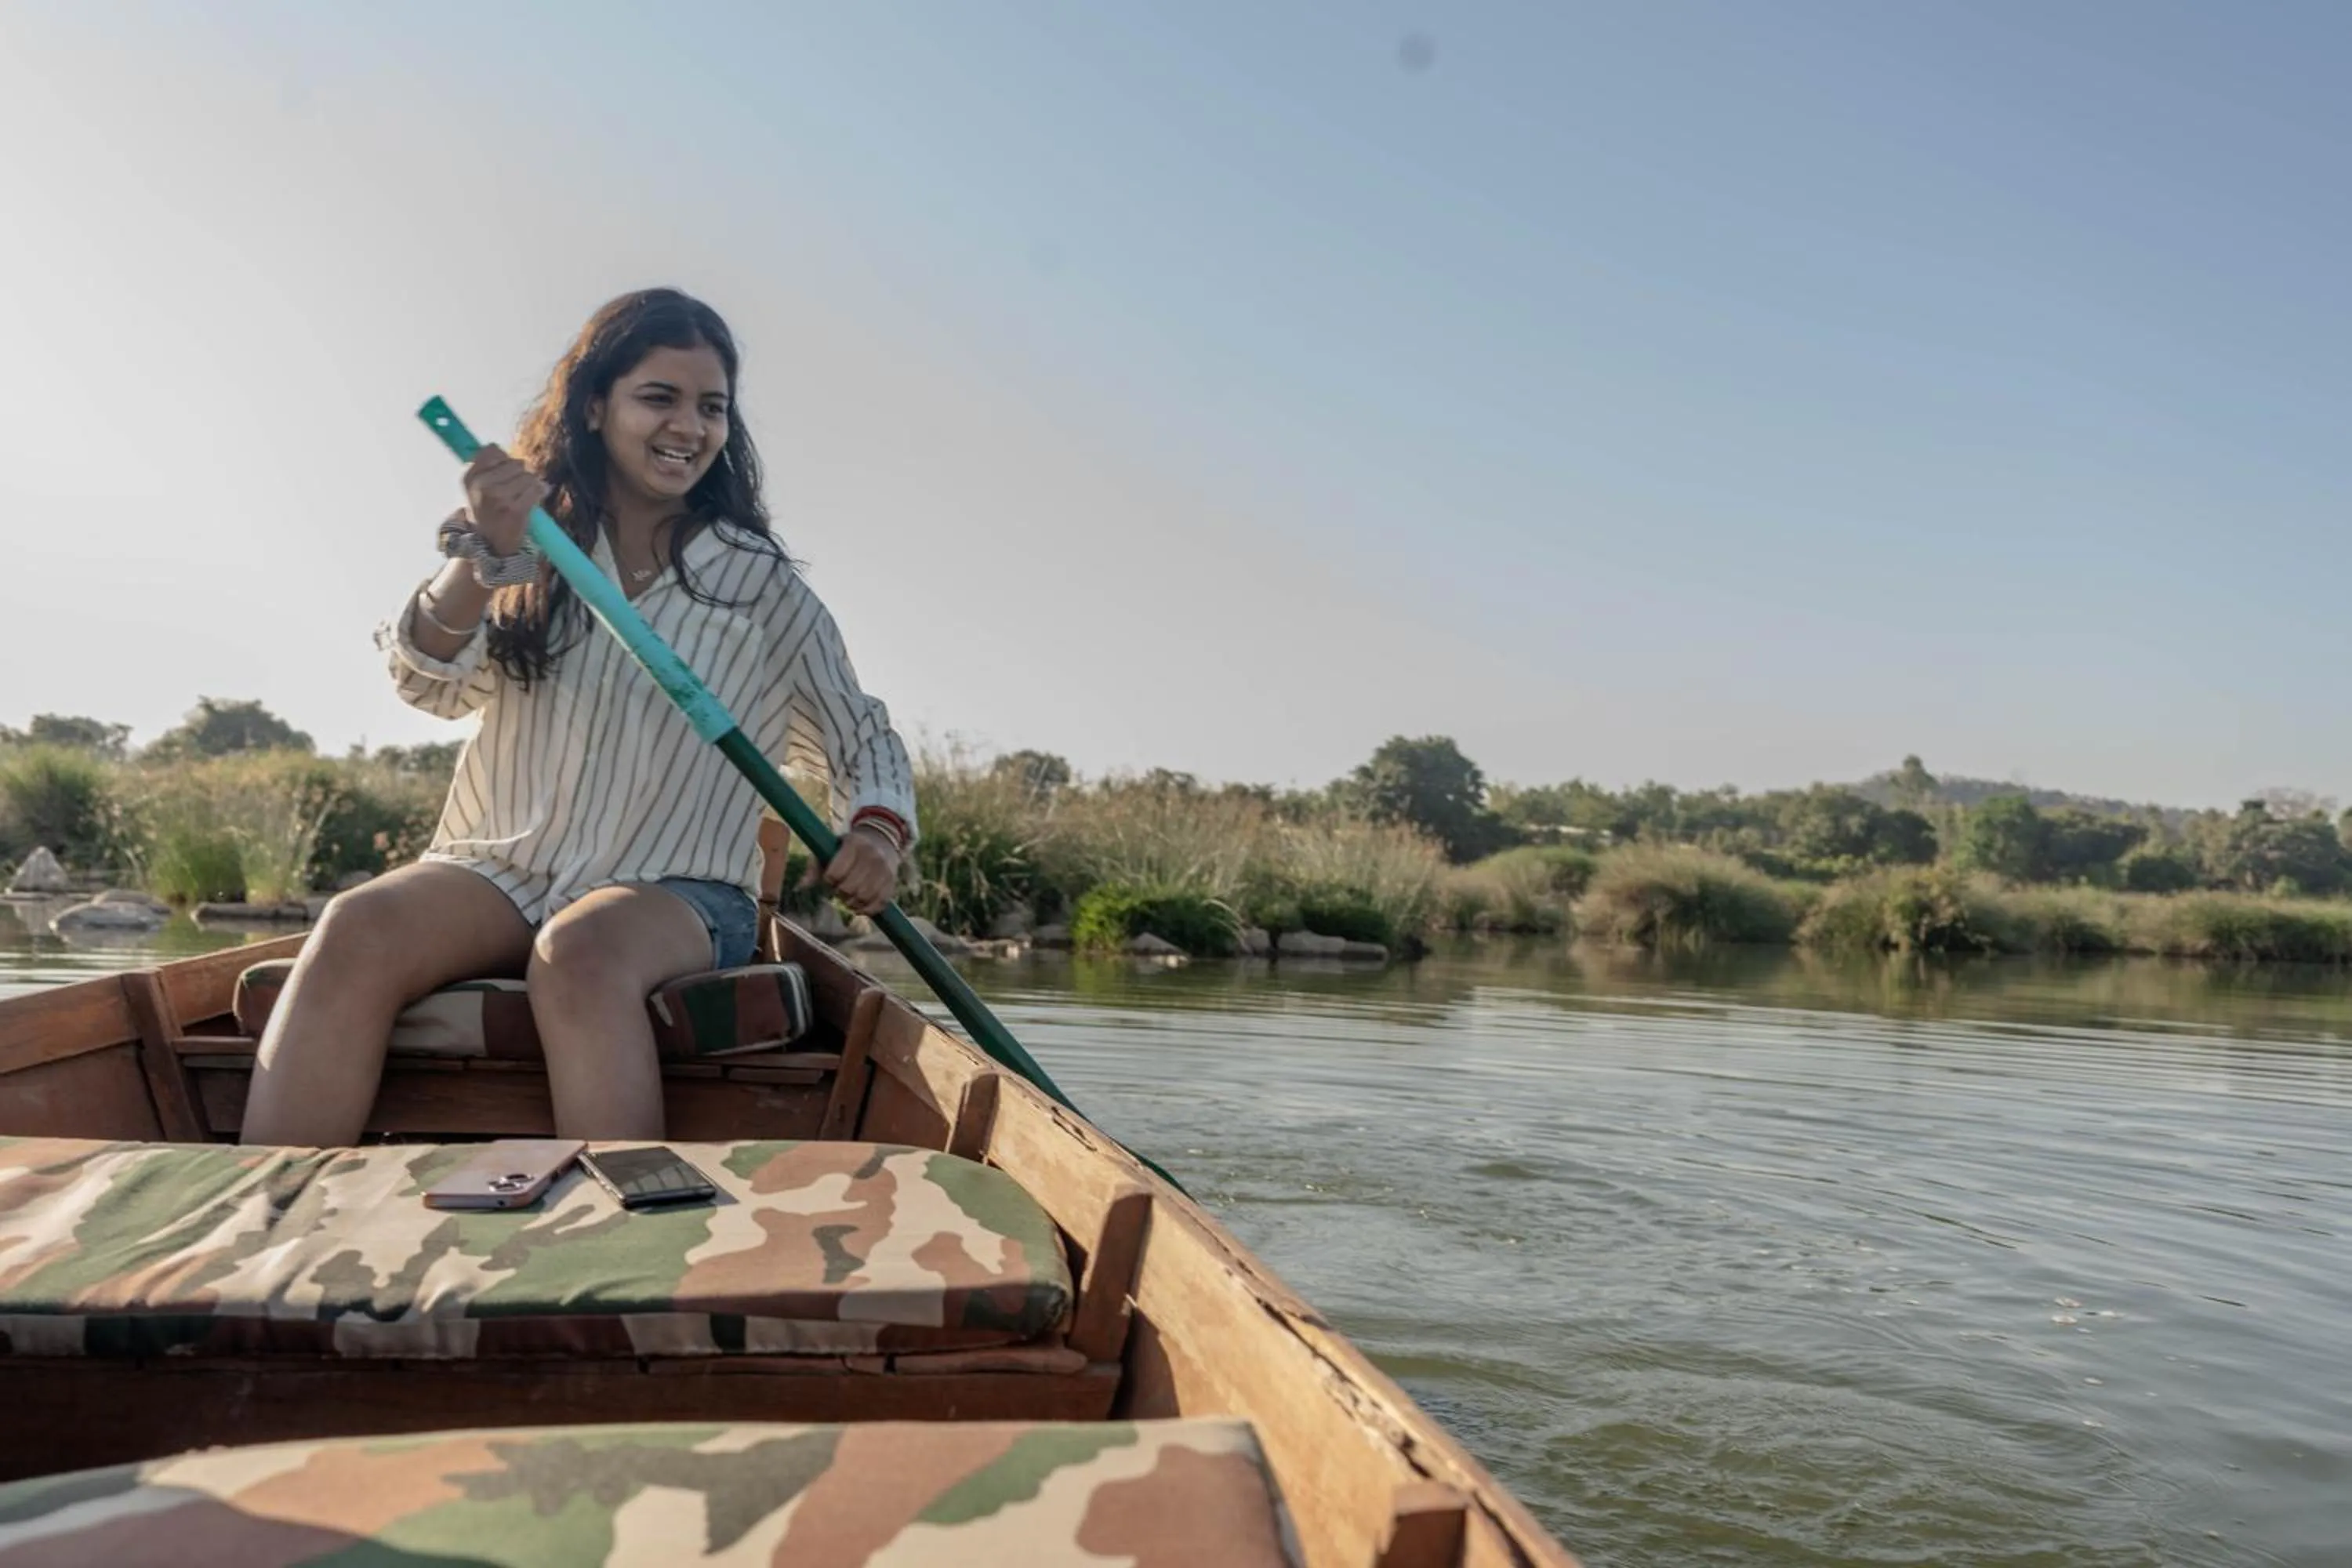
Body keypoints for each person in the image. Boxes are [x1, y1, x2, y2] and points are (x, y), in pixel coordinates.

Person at [241, 288, 916, 1146]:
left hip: (682, 888)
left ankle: (614, 1242)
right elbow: (429, 684)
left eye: (712, 407)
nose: (690, 426)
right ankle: (266, 1220)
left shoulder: (759, 583)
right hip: (505, 866)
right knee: (353, 924)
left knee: (581, 953)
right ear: (595, 405)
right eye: (658, 397)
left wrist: (878, 832)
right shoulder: (525, 541)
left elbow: (862, 733)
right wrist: (481, 559)